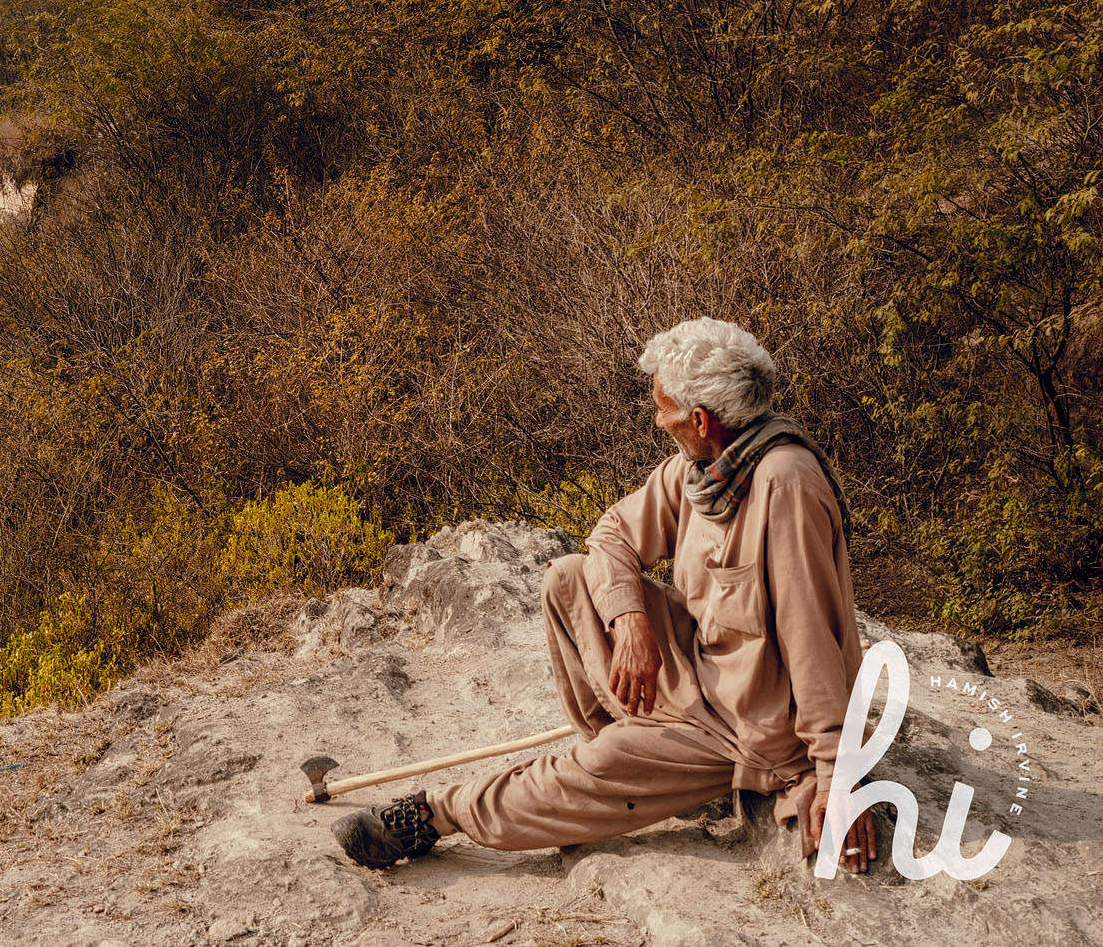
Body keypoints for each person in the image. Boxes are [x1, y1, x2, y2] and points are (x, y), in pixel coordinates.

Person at [333, 317, 879, 874]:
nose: (658, 419)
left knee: (599, 763)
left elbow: (812, 637)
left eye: (663, 408)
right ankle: (643, 750)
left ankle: (435, 815)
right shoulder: (699, 469)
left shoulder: (783, 482)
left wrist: (838, 774)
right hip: (696, 672)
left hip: (749, 724)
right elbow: (611, 536)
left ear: (700, 418)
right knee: (567, 578)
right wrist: (631, 623)